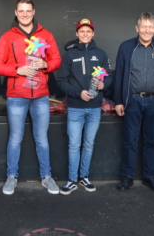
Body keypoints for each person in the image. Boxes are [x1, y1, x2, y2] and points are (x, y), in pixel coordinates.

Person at [0, 0, 62, 195]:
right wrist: (17, 70)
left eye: (28, 10)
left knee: (42, 139)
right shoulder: (8, 37)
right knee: (15, 139)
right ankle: (11, 177)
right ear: (16, 13)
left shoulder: (46, 35)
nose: (25, 14)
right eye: (21, 11)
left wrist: (46, 64)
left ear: (34, 12)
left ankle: (46, 176)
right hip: (17, 96)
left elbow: (57, 60)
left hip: (41, 96)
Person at [114, 12, 154, 192]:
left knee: (151, 141)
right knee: (130, 140)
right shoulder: (126, 47)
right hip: (132, 100)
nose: (147, 30)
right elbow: (119, 75)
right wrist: (118, 101)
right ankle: (127, 177)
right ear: (137, 28)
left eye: (150, 26)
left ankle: (149, 177)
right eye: (144, 26)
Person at [57, 18, 112, 194]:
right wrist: (78, 93)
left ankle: (84, 177)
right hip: (76, 107)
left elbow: (109, 76)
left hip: (95, 108)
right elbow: (61, 80)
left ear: (93, 33)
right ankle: (72, 179)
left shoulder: (101, 54)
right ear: (77, 33)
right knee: (74, 145)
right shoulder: (69, 54)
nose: (85, 34)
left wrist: (104, 84)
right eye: (82, 31)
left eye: (88, 31)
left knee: (88, 144)